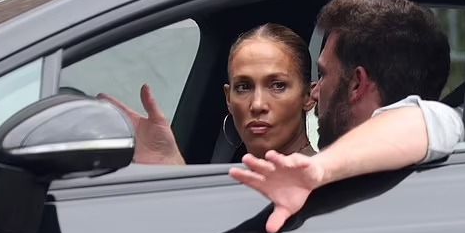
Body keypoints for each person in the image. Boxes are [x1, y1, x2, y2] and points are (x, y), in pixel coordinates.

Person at [228, 0, 465, 233]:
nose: (316, 91)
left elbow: (428, 120)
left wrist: (319, 170)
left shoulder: (443, 122)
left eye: (323, 74)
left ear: (356, 84)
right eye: (243, 87)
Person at [98, 23, 317, 164]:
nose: (257, 104)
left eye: (277, 85)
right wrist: (170, 164)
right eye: (244, 87)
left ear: (308, 95)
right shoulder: (244, 175)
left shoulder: (321, 183)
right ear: (228, 98)